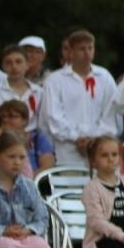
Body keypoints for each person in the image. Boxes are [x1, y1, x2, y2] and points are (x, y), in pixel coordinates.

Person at [39, 29, 116, 171]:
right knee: (70, 190)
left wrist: (93, 138)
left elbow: (110, 114)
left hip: (100, 150)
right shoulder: (55, 80)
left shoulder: (104, 77)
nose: (87, 53)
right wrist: (77, 138)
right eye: (82, 49)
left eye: (90, 48)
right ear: (71, 52)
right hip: (67, 152)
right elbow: (53, 117)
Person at [0, 45, 43, 131]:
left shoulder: (38, 92)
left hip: (31, 139)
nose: (14, 67)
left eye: (18, 62)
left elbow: (43, 122)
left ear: (27, 64)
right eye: (8, 63)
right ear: (3, 66)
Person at [0, 100, 53, 177]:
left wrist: (23, 181)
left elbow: (47, 168)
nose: (5, 120)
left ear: (25, 120)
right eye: (3, 116)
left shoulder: (38, 139)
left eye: (11, 116)